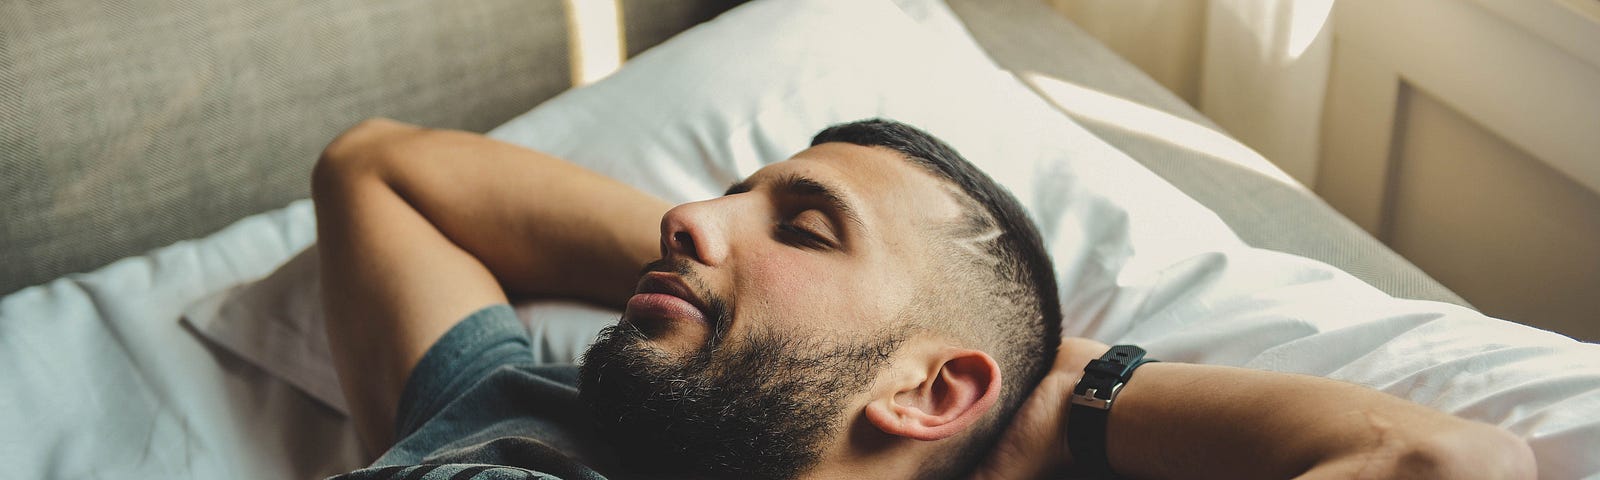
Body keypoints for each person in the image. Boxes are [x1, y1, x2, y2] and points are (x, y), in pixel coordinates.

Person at [313, 117, 1535, 480]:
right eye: (723, 196)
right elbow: (380, 168)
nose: (682, 217)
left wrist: (1070, 386)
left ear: (933, 388)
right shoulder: (513, 407)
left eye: (803, 226)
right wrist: (691, 283)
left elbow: (1446, 460)